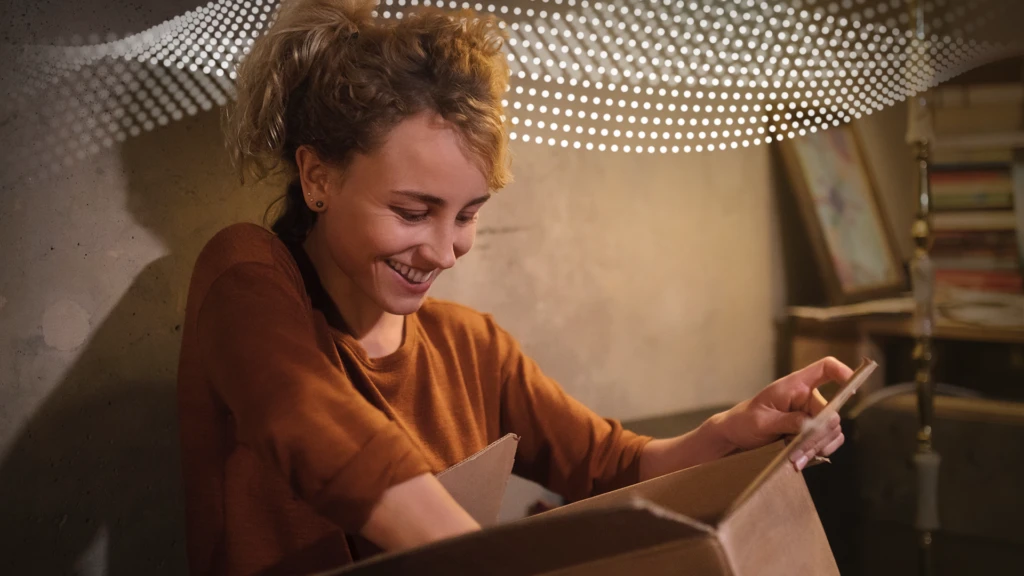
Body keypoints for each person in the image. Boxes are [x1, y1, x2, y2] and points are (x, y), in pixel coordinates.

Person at [175, 0, 852, 574]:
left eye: (467, 214)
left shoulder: (470, 346)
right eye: (412, 212)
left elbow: (609, 465)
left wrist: (729, 433)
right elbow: (327, 442)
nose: (444, 250)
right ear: (318, 178)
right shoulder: (247, 278)